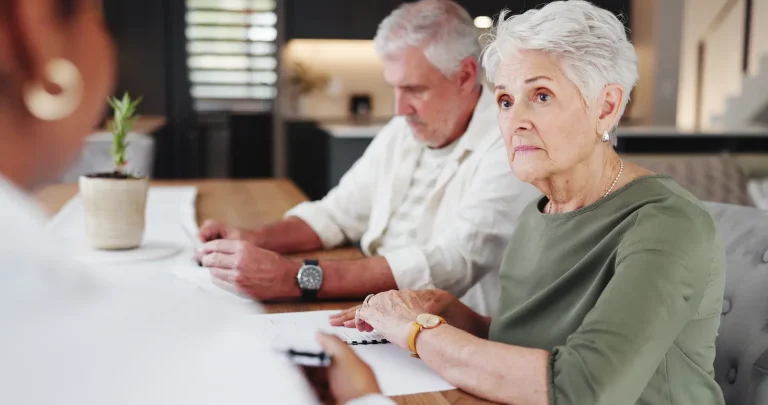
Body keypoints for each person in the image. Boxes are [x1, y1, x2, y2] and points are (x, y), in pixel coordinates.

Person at [330, 2, 727, 404]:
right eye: (505, 100)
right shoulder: (539, 211)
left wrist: (415, 332)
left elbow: (579, 387)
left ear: (605, 107)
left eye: (541, 95)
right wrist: (452, 313)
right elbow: (530, 344)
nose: (515, 121)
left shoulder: (667, 224)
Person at [0, 1, 390, 404]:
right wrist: (363, 399)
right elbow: (336, 212)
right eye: (98, 18)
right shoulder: (203, 351)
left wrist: (278, 260)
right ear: (33, 27)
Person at [196, 0, 538, 316]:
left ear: (464, 76)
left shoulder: (509, 142)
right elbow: (338, 213)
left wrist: (297, 277)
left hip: (446, 326)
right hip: (376, 303)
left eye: (414, 89)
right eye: (394, 88)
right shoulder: (403, 130)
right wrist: (253, 239)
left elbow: (452, 263)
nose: (399, 108)